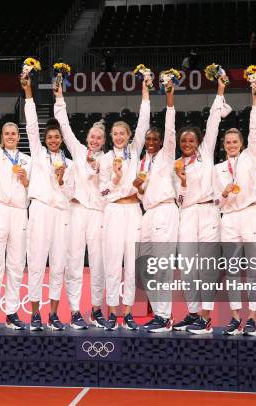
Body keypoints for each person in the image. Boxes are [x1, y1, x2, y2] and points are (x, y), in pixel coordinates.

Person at [172, 75, 231, 335]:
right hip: (186, 214)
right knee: (187, 267)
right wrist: (182, 182)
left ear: (198, 142)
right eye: (183, 141)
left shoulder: (206, 153)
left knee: (207, 267)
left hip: (208, 212)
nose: (187, 144)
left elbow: (214, 122)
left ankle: (206, 318)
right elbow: (179, 199)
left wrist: (219, 90)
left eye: (191, 140)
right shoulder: (175, 166)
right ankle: (193, 312)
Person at [98, 77, 151, 330]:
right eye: (115, 134)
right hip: (113, 211)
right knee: (112, 261)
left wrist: (145, 93)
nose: (119, 137)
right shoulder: (106, 159)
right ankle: (111, 313)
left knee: (131, 263)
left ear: (129, 136)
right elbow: (103, 190)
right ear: (111, 137)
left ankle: (128, 312)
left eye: (123, 133)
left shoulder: (135, 151)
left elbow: (144, 123)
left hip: (133, 210)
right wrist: (116, 179)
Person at [54, 86, 107, 329]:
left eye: (99, 138)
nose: (95, 140)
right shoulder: (76, 150)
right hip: (76, 212)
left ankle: (96, 309)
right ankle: (75, 311)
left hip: (98, 215)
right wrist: (59, 98)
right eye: (92, 136)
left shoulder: (109, 160)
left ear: (104, 142)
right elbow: (64, 125)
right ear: (87, 138)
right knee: (74, 261)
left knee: (99, 264)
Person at [22, 78, 74, 331]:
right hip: (40, 210)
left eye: (57, 137)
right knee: (36, 263)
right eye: (50, 137)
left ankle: (53, 314)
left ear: (62, 140)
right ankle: (34, 314)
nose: (53, 140)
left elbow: (71, 193)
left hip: (62, 214)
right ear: (45, 138)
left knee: (58, 264)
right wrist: (28, 92)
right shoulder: (39, 154)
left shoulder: (70, 163)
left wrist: (63, 179)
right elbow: (31, 125)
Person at [212, 83, 256, 336]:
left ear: (242, 144)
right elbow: (216, 203)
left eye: (235, 141)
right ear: (224, 145)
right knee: (231, 269)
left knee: (252, 268)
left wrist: (255, 101)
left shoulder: (251, 156)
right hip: (229, 217)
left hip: (251, 213)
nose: (232, 144)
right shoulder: (217, 169)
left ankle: (252, 318)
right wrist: (222, 195)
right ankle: (234, 317)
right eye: (228, 142)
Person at [0, 85, 32, 331]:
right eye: (7, 133)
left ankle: (11, 311)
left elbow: (33, 189)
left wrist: (25, 180)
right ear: (2, 137)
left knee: (15, 264)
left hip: (20, 213)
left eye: (14, 133)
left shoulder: (27, 161)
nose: (10, 136)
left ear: (19, 137)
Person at [137, 84, 179, 333]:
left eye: (155, 139)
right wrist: (139, 188)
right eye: (148, 139)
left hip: (165, 210)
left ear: (161, 142)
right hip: (148, 213)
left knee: (162, 267)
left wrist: (169, 99)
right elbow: (142, 193)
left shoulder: (166, 155)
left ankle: (165, 316)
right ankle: (159, 313)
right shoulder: (142, 161)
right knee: (146, 267)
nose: (151, 141)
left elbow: (171, 129)